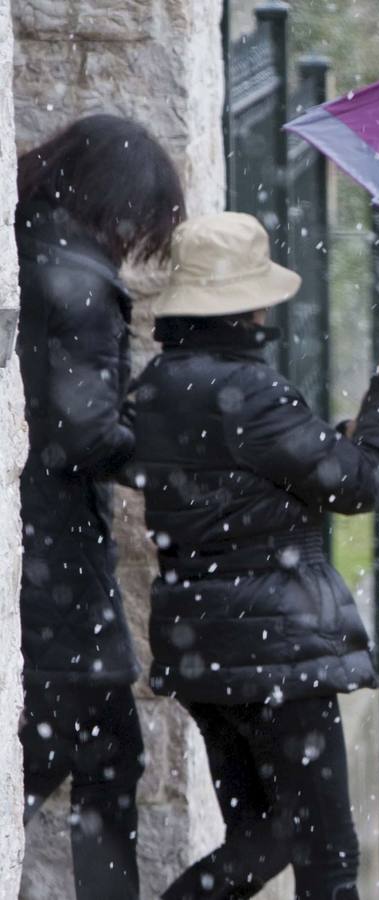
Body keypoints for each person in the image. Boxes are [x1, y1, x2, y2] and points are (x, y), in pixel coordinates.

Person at [125, 212, 379, 899]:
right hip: (274, 649)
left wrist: (343, 434)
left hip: (206, 644)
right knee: (325, 856)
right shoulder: (249, 392)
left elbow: (235, 482)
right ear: (244, 303)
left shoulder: (159, 385)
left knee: (261, 842)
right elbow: (359, 486)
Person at [15, 114, 185, 900]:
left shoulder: (31, 241)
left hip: (38, 550)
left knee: (65, 750)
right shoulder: (80, 284)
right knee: (100, 757)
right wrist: (173, 463)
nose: (134, 242)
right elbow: (83, 431)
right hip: (55, 557)